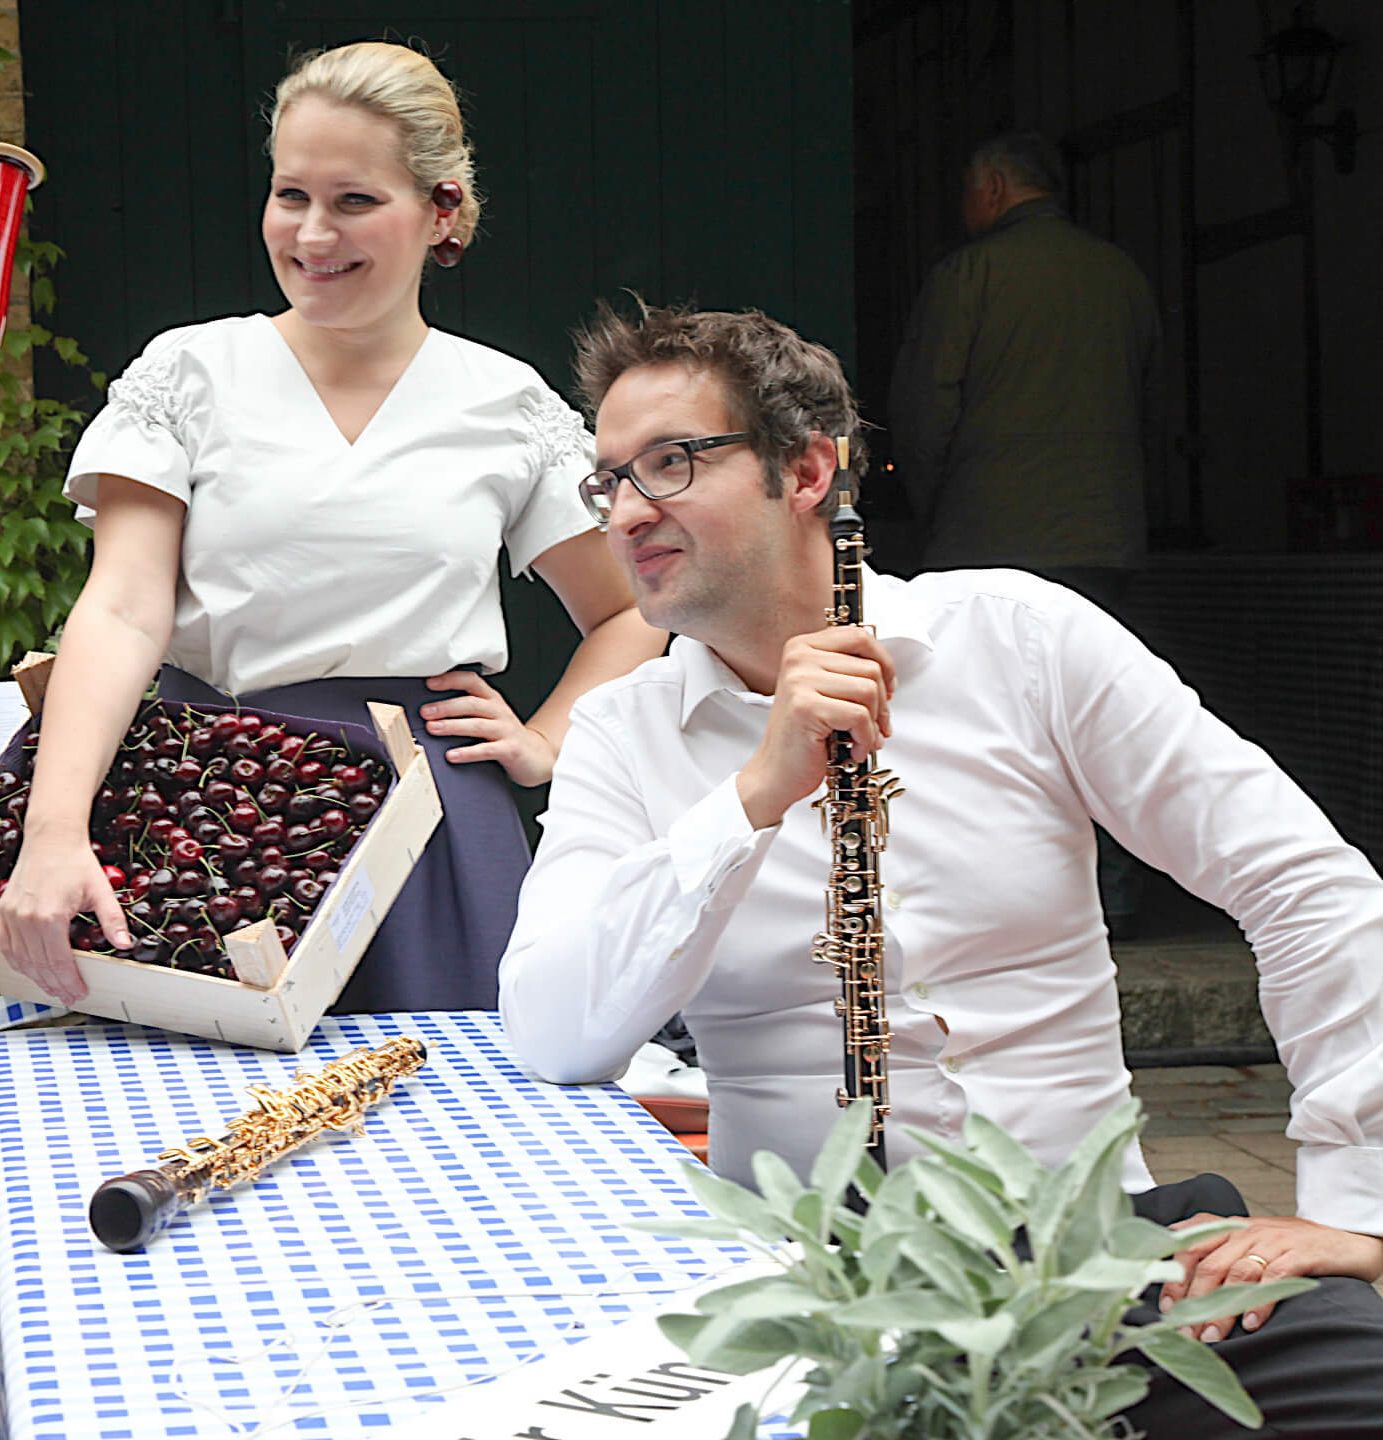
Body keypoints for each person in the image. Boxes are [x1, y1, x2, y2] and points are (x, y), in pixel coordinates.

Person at [498, 300, 1383, 1437]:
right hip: (814, 1293)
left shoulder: (1022, 639)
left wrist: (1354, 1206)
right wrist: (751, 799)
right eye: (608, 480)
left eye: (669, 464)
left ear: (807, 468)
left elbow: (1307, 884)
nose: (626, 511)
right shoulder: (627, 734)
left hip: (1104, 1262)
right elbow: (553, 1033)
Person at [0, 41, 671, 1011]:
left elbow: (633, 611)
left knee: (450, 1124)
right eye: (290, 196)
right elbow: (121, 611)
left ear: (441, 212)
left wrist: (545, 742)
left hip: (428, 824)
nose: (313, 235)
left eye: (354, 201)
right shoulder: (190, 375)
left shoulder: (504, 401)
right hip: (208, 804)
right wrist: (54, 828)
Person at [889, 132, 1164, 936]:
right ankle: (1114, 893)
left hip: (989, 530)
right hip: (1102, 530)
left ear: (996, 187)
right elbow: (1149, 400)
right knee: (1104, 711)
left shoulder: (968, 275)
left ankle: (998, 899)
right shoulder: (1121, 274)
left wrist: (935, 505)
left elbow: (925, 409)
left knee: (985, 720)